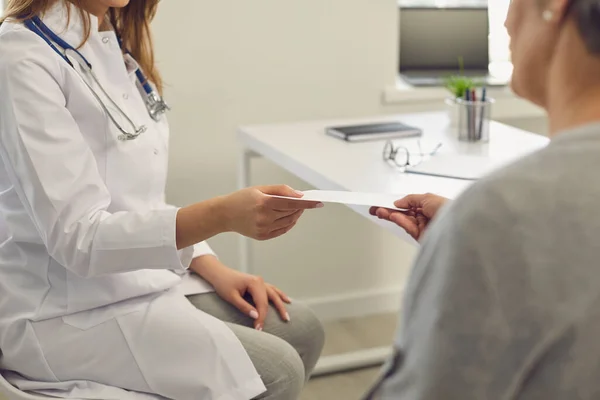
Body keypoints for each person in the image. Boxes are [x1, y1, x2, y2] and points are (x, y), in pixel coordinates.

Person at [0, 1, 325, 399]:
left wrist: (209, 264)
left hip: (137, 279)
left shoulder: (113, 44)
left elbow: (139, 199)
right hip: (63, 309)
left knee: (303, 329)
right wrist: (221, 214)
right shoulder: (21, 56)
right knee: (278, 371)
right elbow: (77, 237)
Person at [365, 0, 600, 398]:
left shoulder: (502, 214)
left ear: (555, 7)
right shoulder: (499, 218)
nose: (506, 21)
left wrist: (478, 239)